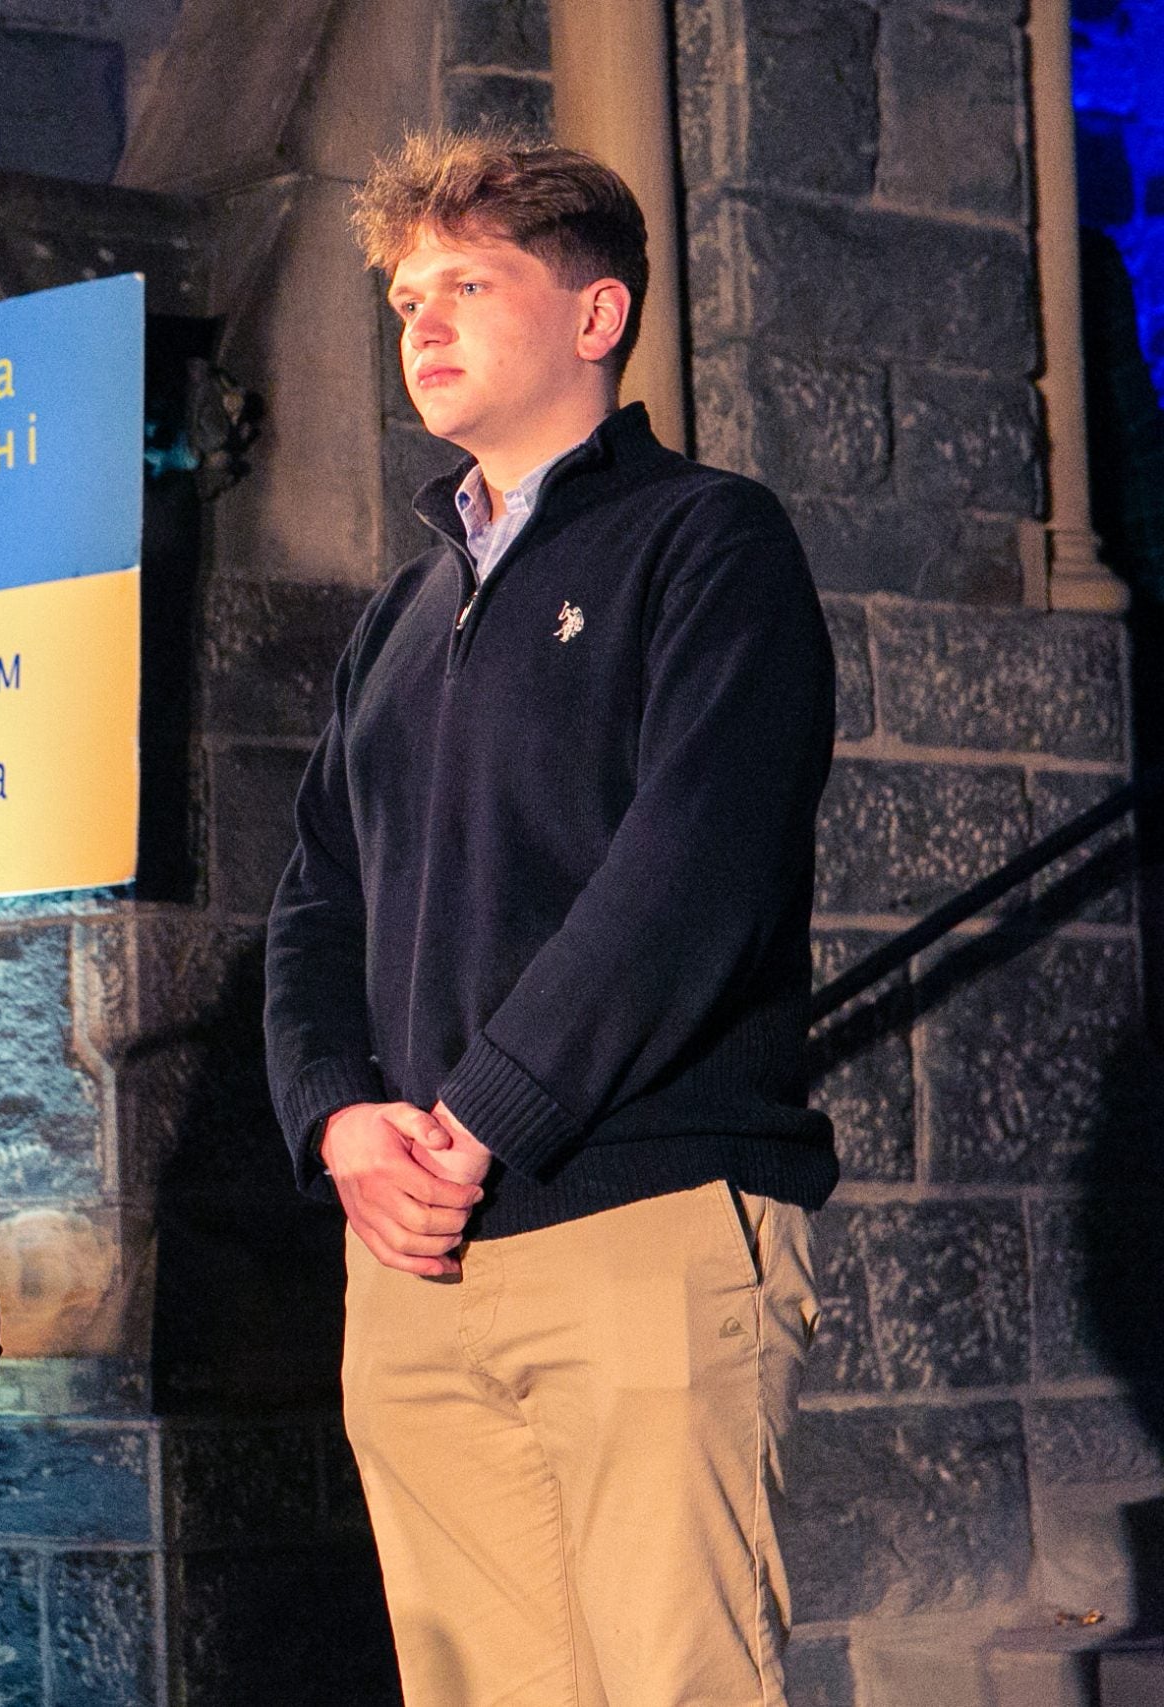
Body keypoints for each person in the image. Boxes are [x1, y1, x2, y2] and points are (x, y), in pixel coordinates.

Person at [262, 133, 835, 1706]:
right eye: (403, 296)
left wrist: (482, 1114)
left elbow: (693, 868)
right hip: (417, 1255)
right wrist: (335, 1125)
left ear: (596, 317)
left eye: (468, 283)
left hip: (636, 1217)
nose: (422, 323)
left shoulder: (707, 542)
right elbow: (316, 895)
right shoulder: (399, 610)